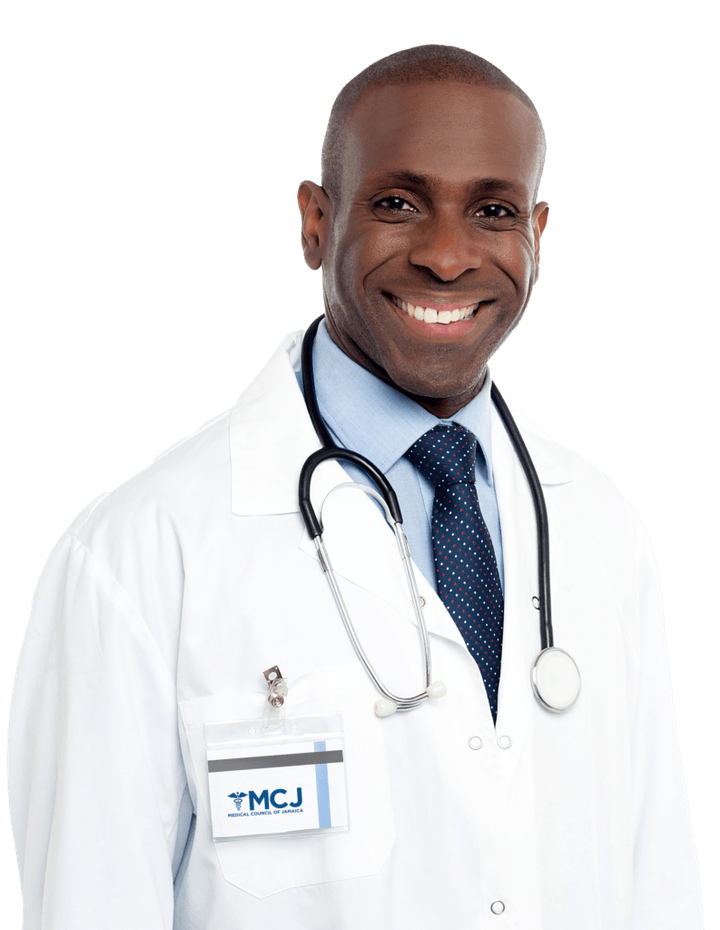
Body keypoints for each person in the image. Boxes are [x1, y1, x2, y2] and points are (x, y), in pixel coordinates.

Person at [8, 44, 703, 929]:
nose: (447, 257)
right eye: (398, 204)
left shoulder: (602, 527)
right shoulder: (141, 553)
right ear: (314, 222)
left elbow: (659, 891)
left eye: (492, 211)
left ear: (536, 237)